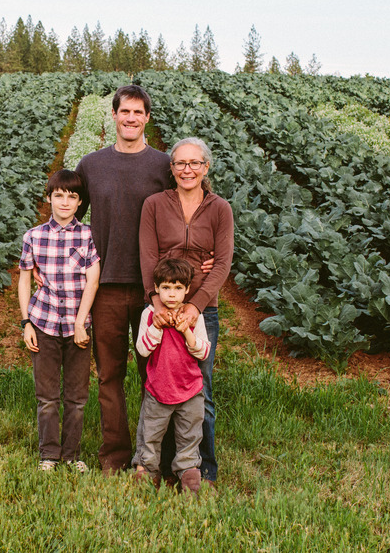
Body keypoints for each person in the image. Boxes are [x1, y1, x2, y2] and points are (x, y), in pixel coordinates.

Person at [72, 84, 173, 473]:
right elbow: (70, 221)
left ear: (147, 118)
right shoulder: (91, 165)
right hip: (106, 287)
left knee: (158, 373)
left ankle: (155, 458)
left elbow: (189, 212)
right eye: (124, 111)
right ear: (113, 116)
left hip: (155, 290)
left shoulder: (163, 165)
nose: (130, 118)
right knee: (110, 374)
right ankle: (115, 456)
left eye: (138, 112)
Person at [139, 136, 234, 484]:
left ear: (206, 168)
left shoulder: (220, 208)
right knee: (157, 385)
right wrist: (156, 304)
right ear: (172, 169)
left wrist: (196, 305)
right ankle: (158, 466)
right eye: (180, 163)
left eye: (195, 163)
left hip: (202, 311)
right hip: (161, 308)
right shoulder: (154, 204)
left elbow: (222, 263)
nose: (187, 169)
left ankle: (202, 469)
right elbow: (148, 256)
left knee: (199, 388)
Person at [18, 169, 101, 472]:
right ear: (50, 197)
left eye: (72, 197)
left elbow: (92, 281)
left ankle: (72, 454)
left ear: (80, 202)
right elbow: (25, 281)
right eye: (59, 196)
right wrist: (27, 322)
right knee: (48, 396)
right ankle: (49, 455)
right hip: (44, 324)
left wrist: (81, 323)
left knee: (77, 397)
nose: (64, 202)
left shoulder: (89, 235)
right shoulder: (34, 236)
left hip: (79, 326)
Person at [132, 257, 210, 495]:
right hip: (159, 388)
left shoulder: (194, 316)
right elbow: (142, 349)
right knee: (151, 435)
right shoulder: (149, 315)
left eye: (178, 288)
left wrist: (186, 330)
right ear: (156, 289)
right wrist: (157, 327)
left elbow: (204, 351)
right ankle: (146, 473)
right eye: (166, 288)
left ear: (187, 290)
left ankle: (188, 475)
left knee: (190, 435)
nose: (172, 295)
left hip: (190, 389)